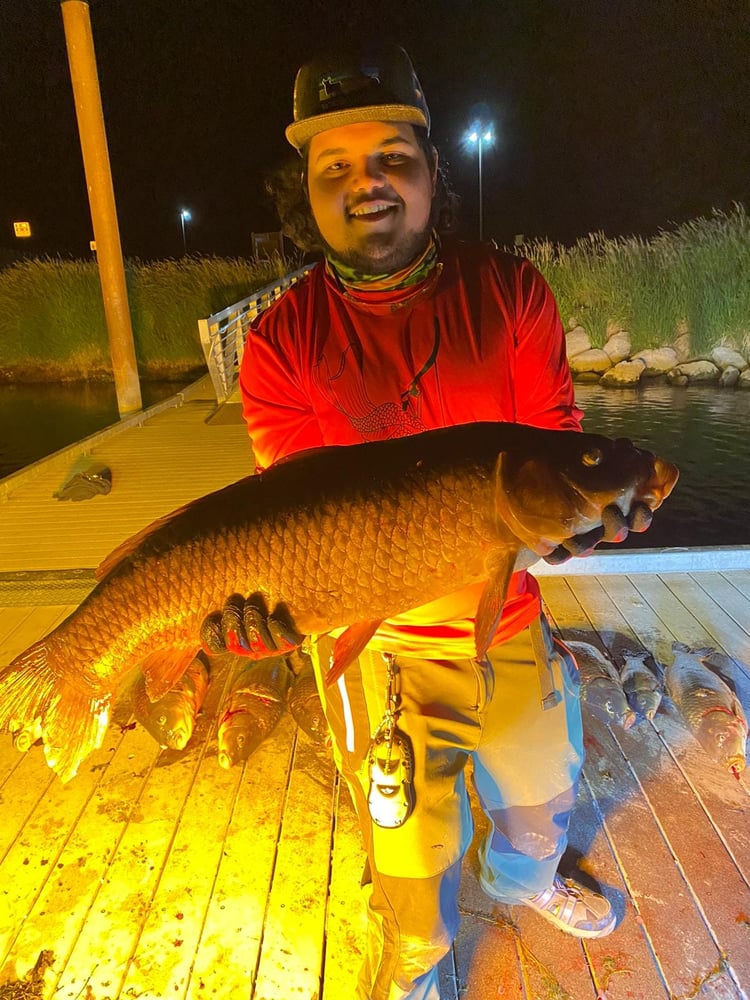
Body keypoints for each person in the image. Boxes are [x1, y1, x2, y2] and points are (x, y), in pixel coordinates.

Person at [219, 43, 633, 1000]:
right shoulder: (281, 343)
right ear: (308, 190)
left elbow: (554, 456)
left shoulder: (513, 292)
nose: (367, 183)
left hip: (508, 619)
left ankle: (521, 883)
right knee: (408, 849)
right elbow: (296, 523)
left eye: (391, 157)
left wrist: (578, 518)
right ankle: (413, 958)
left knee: (538, 822)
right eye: (337, 167)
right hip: (385, 642)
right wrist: (272, 616)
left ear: (433, 170)